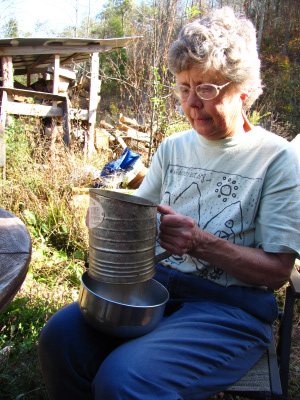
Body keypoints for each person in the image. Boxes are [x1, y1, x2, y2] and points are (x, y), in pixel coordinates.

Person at [38, 7, 300, 400]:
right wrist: (108, 220)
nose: (192, 103)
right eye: (183, 87)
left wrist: (201, 243)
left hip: (230, 308)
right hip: (154, 289)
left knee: (124, 380)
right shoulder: (174, 147)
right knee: (59, 339)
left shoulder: (277, 159)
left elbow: (277, 272)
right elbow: (137, 216)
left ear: (242, 90)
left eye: (207, 89)